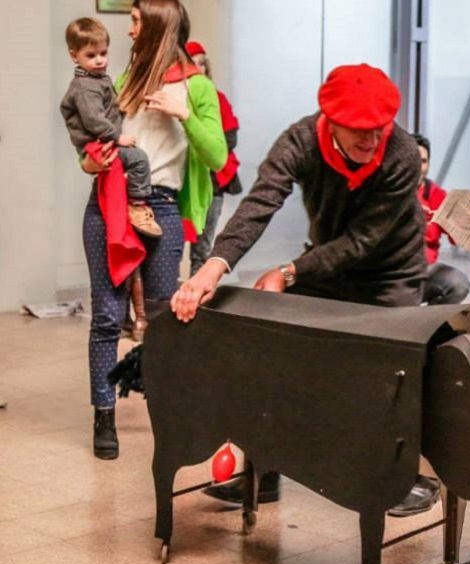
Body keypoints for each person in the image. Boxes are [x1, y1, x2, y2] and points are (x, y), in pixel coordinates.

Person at [172, 64, 428, 505]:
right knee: (274, 355)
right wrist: (212, 267)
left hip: (390, 273)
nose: (370, 141)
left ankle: (404, 480)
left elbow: (364, 240)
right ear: (331, 122)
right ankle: (265, 472)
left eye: (378, 129)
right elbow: (260, 201)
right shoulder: (301, 139)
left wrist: (290, 272)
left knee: (386, 379)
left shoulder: (401, 154)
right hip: (324, 265)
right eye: (358, 131)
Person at [80, 0, 226, 460]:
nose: (128, 31)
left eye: (136, 22)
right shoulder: (122, 81)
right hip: (109, 203)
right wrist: (87, 160)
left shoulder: (198, 87)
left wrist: (184, 113)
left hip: (161, 206)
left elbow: (217, 158)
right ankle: (104, 415)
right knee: (107, 316)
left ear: (159, 26)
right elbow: (96, 142)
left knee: (165, 319)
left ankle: (169, 408)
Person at [61, 17, 160, 238]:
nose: (99, 60)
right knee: (138, 158)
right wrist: (118, 137)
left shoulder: (98, 79)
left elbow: (110, 109)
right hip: (97, 144)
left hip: (101, 142)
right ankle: (137, 204)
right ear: (73, 55)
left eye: (103, 53)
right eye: (91, 55)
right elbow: (94, 119)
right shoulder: (85, 87)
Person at [186, 40, 243, 276]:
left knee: (202, 248)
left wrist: (202, 142)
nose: (199, 69)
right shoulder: (176, 99)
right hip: (183, 182)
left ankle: (197, 301)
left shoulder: (218, 99)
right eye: (193, 64)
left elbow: (230, 141)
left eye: (202, 64)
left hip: (213, 181)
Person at [412, 133, 470, 306]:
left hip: (423, 271)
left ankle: (428, 326)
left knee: (458, 284)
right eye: (413, 159)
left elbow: (459, 236)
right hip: (391, 273)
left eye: (423, 161)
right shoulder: (387, 190)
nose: (418, 166)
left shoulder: (438, 196)